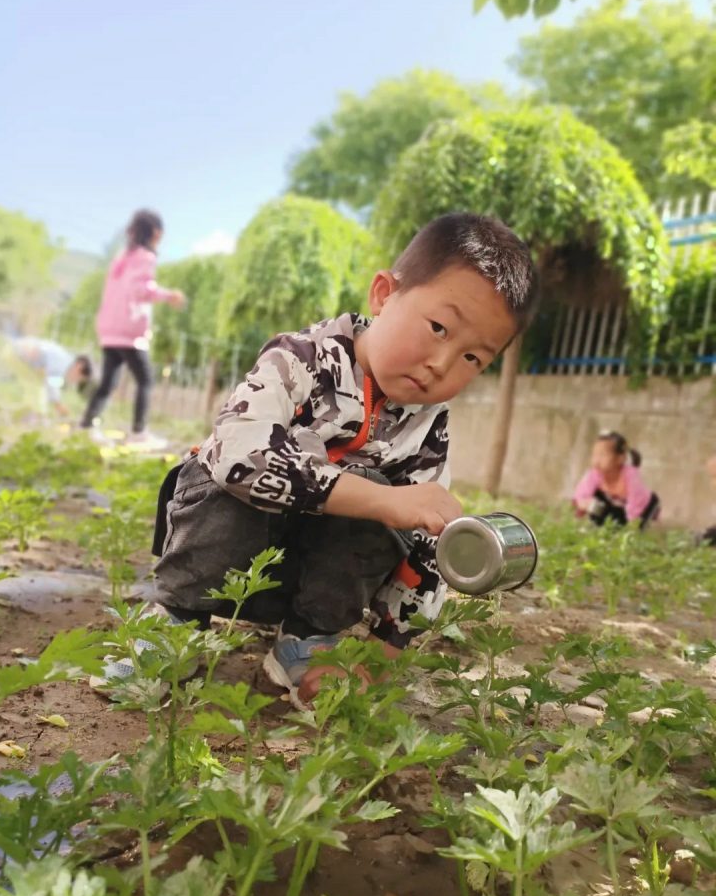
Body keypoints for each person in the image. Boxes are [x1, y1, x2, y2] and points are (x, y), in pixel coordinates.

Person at [93, 213, 539, 707]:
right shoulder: (301, 358)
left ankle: (304, 644)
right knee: (230, 474)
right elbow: (239, 451)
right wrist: (381, 500)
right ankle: (176, 625)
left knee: (404, 514)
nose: (442, 364)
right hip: (224, 564)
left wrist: (384, 651)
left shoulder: (427, 425)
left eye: (473, 358)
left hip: (299, 586)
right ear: (384, 294)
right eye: (438, 327)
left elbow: (431, 541)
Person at [81, 209, 185, 444]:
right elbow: (141, 290)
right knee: (146, 380)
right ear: (156, 233)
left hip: (109, 329)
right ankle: (139, 433)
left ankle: (86, 427)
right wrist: (170, 296)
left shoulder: (122, 257)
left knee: (108, 382)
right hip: (129, 331)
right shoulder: (145, 257)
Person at [573, 430, 660, 530]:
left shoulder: (630, 475)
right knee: (593, 500)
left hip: (642, 507)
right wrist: (583, 505)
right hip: (618, 507)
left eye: (602, 455)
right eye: (594, 455)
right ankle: (601, 528)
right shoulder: (595, 474)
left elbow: (636, 503)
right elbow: (581, 494)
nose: (597, 460)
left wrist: (631, 528)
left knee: (639, 529)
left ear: (620, 458)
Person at [6, 335, 92, 418]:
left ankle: (32, 415)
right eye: (79, 378)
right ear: (79, 367)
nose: (76, 381)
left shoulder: (66, 361)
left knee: (37, 386)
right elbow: (51, 383)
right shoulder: (64, 364)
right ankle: (33, 416)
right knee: (37, 389)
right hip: (16, 352)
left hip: (17, 351)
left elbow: (51, 381)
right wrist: (58, 405)